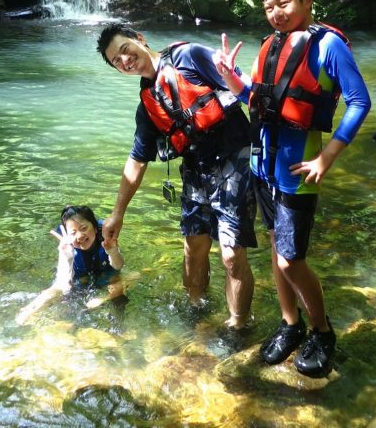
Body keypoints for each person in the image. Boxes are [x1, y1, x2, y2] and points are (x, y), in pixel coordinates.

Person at [214, 0, 371, 378]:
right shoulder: (269, 45)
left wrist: (328, 156)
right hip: (263, 164)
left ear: (307, 0)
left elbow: (359, 102)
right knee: (274, 247)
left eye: (284, 4)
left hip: (299, 166)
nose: (276, 13)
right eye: (269, 7)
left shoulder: (328, 46)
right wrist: (233, 80)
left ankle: (322, 331)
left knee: (290, 260)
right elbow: (258, 96)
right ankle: (290, 323)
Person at [97, 23, 257, 329]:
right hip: (196, 168)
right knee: (193, 246)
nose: (125, 60)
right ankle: (196, 314)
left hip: (234, 159)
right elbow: (137, 161)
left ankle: (238, 326)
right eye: (117, 62)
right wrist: (118, 214)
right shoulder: (147, 105)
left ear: (139, 39)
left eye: (125, 50)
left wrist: (234, 76)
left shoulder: (190, 56)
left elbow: (246, 90)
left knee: (231, 254)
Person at [16, 205, 125, 324]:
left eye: (84, 228)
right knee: (59, 295)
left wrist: (112, 251)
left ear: (94, 227)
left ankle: (119, 321)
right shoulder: (67, 247)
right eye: (73, 233)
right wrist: (66, 255)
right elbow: (62, 283)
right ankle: (28, 310)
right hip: (80, 279)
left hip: (107, 275)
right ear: (67, 235)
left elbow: (118, 266)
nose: (79, 236)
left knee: (121, 284)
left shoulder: (105, 239)